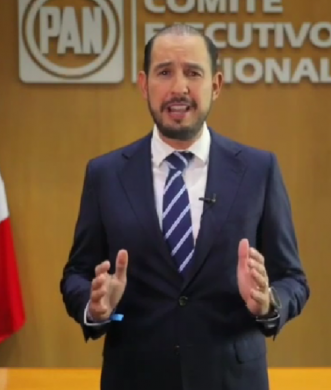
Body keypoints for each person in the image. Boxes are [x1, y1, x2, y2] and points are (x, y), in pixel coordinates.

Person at [60, 24, 310, 390]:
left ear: (216, 85)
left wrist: (268, 302)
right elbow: (77, 274)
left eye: (193, 72)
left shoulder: (259, 170)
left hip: (232, 380)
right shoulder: (105, 174)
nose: (179, 88)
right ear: (144, 85)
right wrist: (95, 307)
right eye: (164, 72)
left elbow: (294, 280)